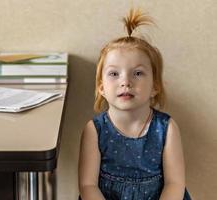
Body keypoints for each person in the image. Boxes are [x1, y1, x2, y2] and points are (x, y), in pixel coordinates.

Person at [78, 8, 192, 200]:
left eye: (137, 73)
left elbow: (175, 183)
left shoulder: (166, 128)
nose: (126, 82)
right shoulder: (94, 130)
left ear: (155, 86)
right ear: (101, 88)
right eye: (114, 74)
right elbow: (88, 186)